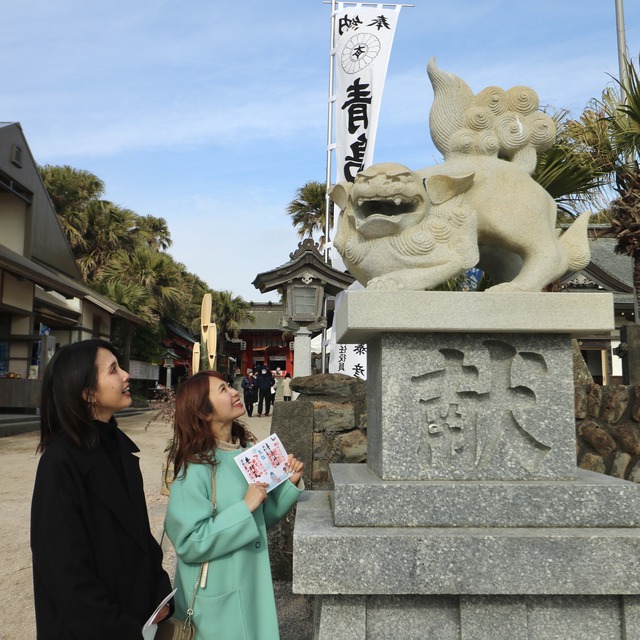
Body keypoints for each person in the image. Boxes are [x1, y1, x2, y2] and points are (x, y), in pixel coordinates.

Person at [30, 339, 173, 639]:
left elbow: (139, 535)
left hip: (135, 616)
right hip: (94, 629)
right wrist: (121, 629)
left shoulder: (119, 448)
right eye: (113, 370)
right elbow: (63, 570)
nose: (125, 375)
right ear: (87, 392)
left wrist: (159, 591)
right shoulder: (60, 462)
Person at [164, 370, 304, 640]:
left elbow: (259, 521)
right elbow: (188, 542)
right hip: (215, 598)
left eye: (229, 386)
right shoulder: (196, 466)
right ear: (204, 413)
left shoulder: (248, 452)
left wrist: (288, 484)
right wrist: (244, 507)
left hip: (249, 583)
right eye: (223, 390)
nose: (234, 391)